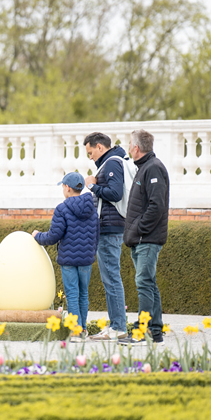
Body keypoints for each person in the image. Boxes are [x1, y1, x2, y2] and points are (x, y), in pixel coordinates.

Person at [32, 171, 98, 342]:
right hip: (86, 259)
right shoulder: (92, 207)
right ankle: (83, 329)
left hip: (68, 260)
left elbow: (53, 236)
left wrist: (37, 236)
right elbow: (96, 234)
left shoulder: (62, 209)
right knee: (83, 294)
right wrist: (91, 253)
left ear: (67, 188)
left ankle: (76, 331)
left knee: (73, 295)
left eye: (63, 186)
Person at [118, 129, 170, 347]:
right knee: (149, 283)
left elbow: (156, 206)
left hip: (147, 239)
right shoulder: (145, 167)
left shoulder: (153, 168)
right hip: (141, 239)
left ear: (136, 148)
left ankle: (143, 331)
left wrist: (139, 229)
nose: (129, 148)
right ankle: (155, 331)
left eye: (130, 144)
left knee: (144, 283)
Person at [82, 132, 128, 341]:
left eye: (90, 152)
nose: (90, 157)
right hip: (110, 227)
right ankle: (115, 325)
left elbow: (115, 193)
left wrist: (92, 186)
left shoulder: (111, 163)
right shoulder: (112, 162)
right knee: (110, 278)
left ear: (100, 147)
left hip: (110, 229)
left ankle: (118, 327)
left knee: (111, 278)